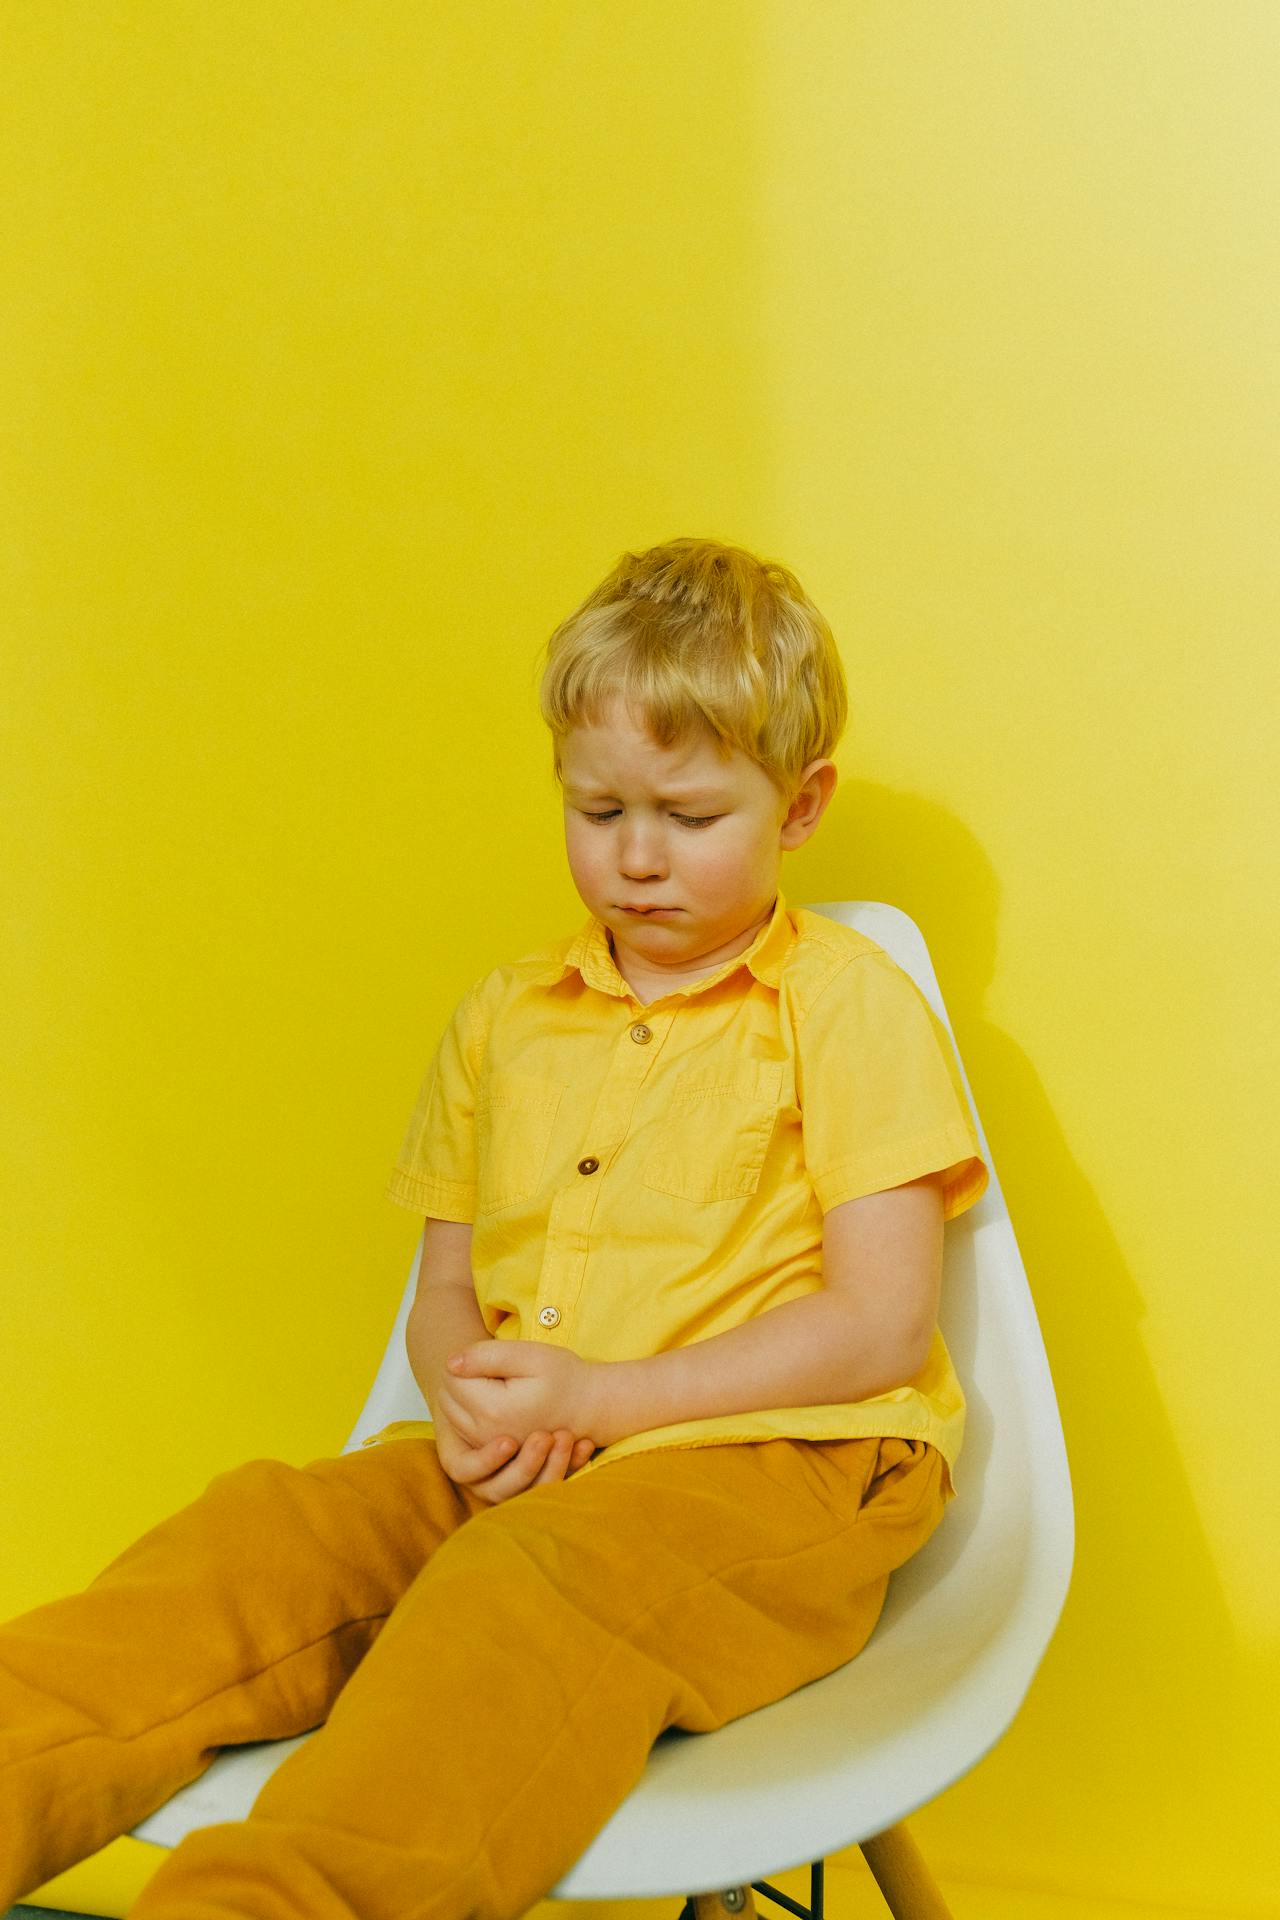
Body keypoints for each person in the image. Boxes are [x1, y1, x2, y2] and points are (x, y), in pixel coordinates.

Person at [0, 537, 989, 1920]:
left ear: (800, 804)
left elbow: (881, 1324)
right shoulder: (506, 1019)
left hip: (782, 1470)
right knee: (258, 1542)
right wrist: (474, 1394)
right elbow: (448, 1290)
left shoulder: (843, 1000)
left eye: (690, 817)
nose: (637, 858)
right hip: (540, 1459)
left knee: (520, 1594)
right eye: (598, 811)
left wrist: (611, 1395)